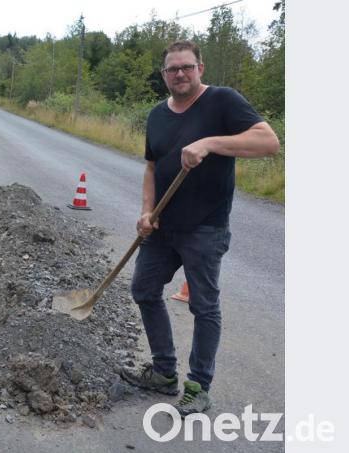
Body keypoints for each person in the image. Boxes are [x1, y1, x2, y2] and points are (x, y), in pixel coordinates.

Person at [120, 40, 279, 416]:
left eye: (186, 67)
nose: (180, 74)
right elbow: (151, 167)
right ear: (164, 75)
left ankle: (198, 385)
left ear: (200, 68)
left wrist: (209, 142)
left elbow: (268, 142)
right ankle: (163, 372)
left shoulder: (223, 101)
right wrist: (146, 213)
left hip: (204, 228)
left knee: (204, 306)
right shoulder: (158, 115)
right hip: (162, 228)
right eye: (172, 69)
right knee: (144, 290)